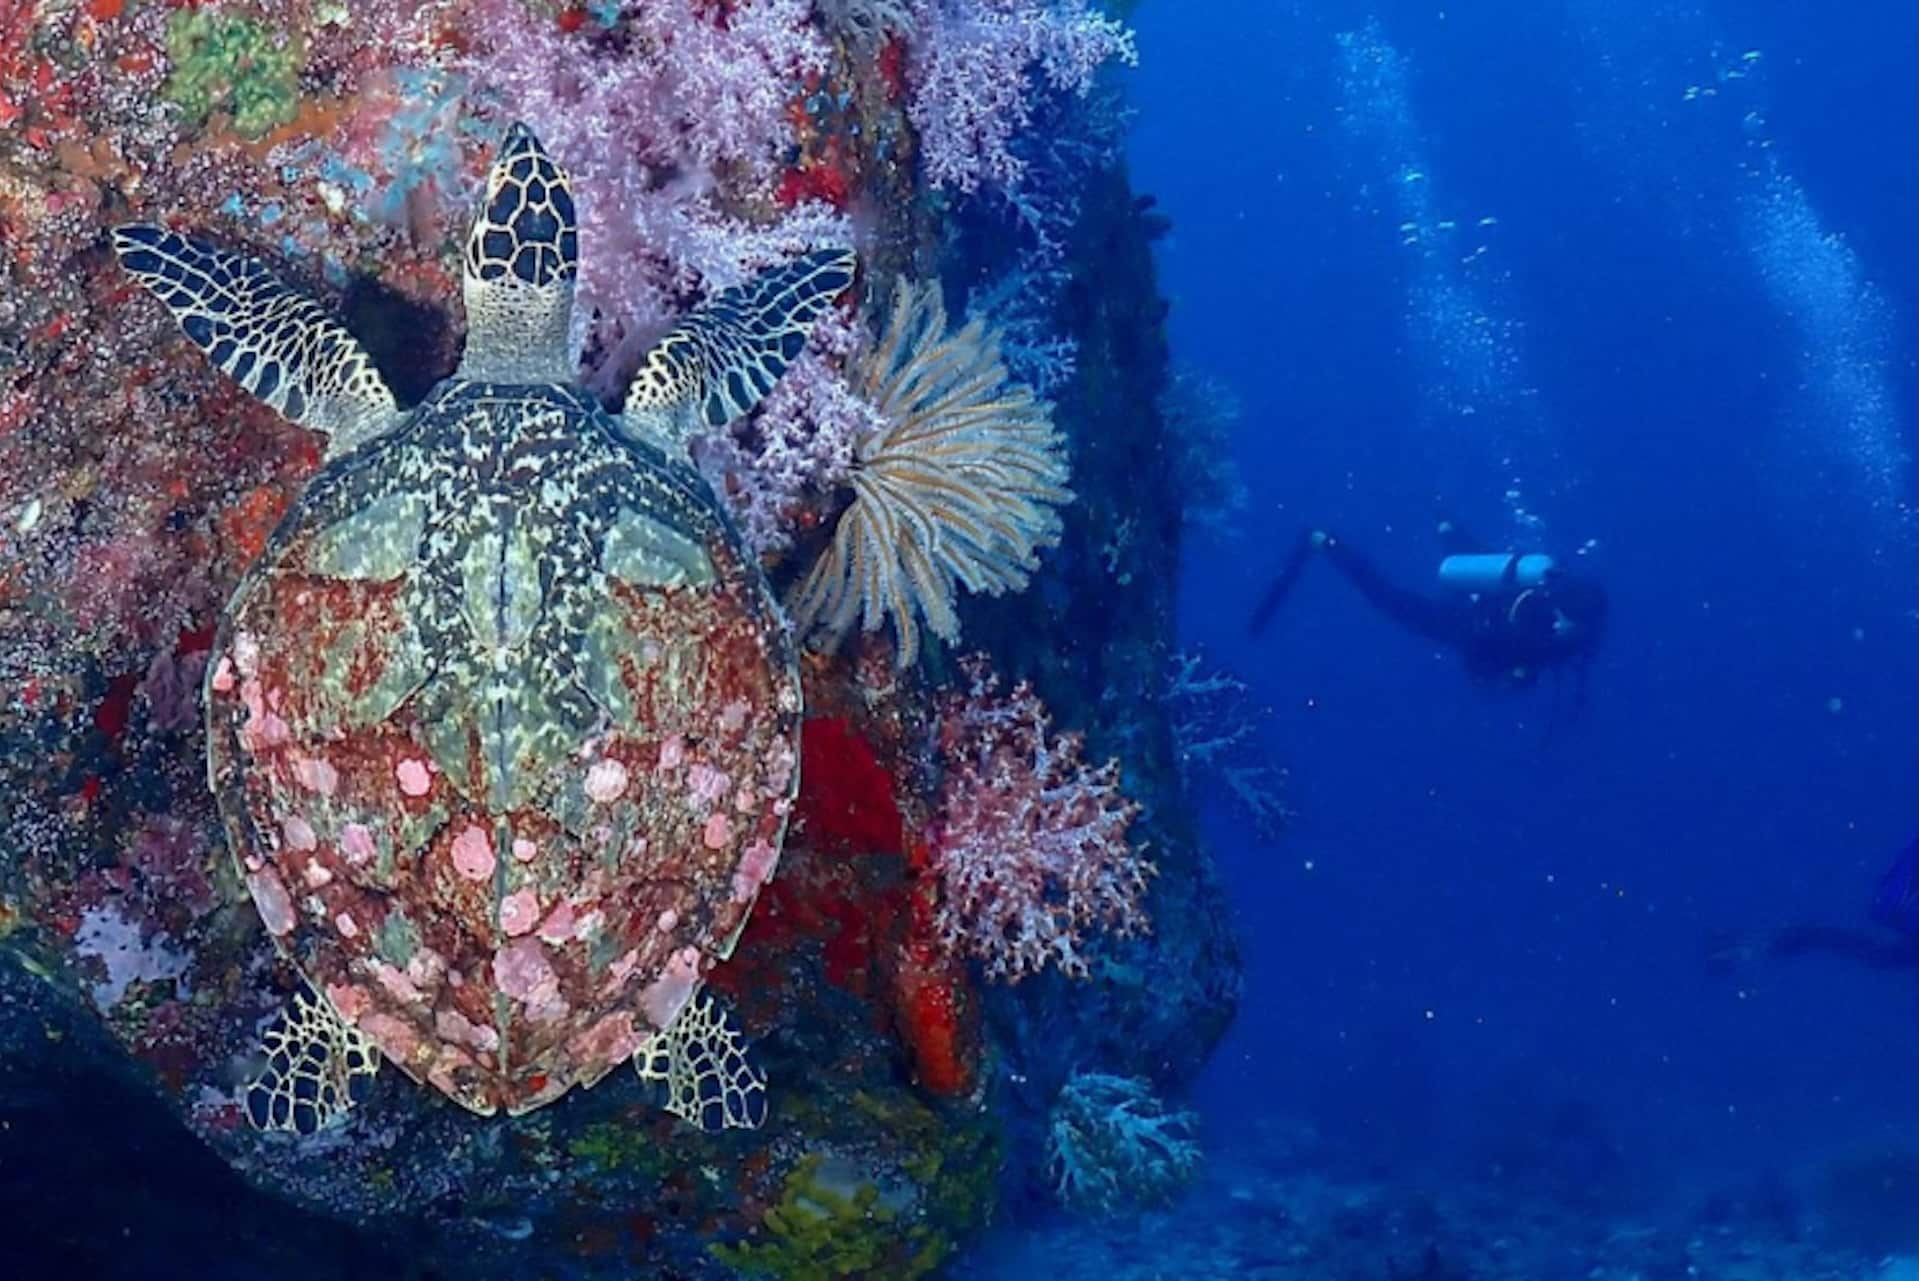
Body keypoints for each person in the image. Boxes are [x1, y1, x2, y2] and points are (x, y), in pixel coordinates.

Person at [1248, 521, 1610, 692]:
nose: (1562, 628)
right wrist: (1512, 672)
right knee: (1387, 599)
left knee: (1462, 547)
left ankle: (1443, 523)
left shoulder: (1578, 634)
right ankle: (1326, 542)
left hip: (1483, 604)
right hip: (1463, 622)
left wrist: (1519, 673)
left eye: (1573, 625)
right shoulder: (1539, 617)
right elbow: (1482, 651)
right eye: (1565, 620)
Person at [1707, 839, 1918, 974]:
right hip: (1897, 917)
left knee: (1856, 945)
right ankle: (1744, 949)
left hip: (1897, 919)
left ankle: (1744, 949)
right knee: (1861, 946)